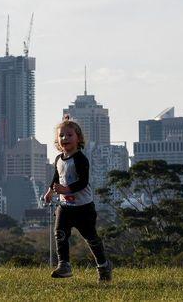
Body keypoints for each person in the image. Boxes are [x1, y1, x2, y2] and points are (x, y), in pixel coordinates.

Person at [43, 116, 112, 282]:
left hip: (83, 208)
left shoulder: (81, 159)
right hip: (65, 206)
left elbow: (83, 181)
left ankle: (103, 266)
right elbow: (56, 178)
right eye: (61, 136)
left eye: (69, 135)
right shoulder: (59, 159)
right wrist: (50, 192)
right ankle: (64, 265)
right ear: (57, 140)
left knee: (91, 238)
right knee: (60, 234)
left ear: (78, 138)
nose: (65, 138)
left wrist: (66, 189)